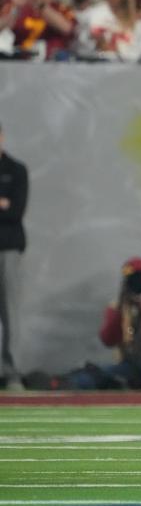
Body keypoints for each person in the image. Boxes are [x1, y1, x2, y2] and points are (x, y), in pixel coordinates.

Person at [32, 258, 141, 390]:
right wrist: (123, 310)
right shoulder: (117, 306)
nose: (137, 284)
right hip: (131, 364)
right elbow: (108, 339)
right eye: (132, 280)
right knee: (99, 373)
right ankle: (61, 383)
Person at [0, 121, 27, 390]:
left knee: (10, 312)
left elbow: (15, 211)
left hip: (8, 250)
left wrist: (7, 206)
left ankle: (12, 373)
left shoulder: (16, 171)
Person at [73, 0, 141, 61]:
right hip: (95, 67)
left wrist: (114, 49)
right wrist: (95, 44)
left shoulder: (137, 19)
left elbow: (138, 52)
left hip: (126, 70)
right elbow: (79, 47)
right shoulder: (91, 14)